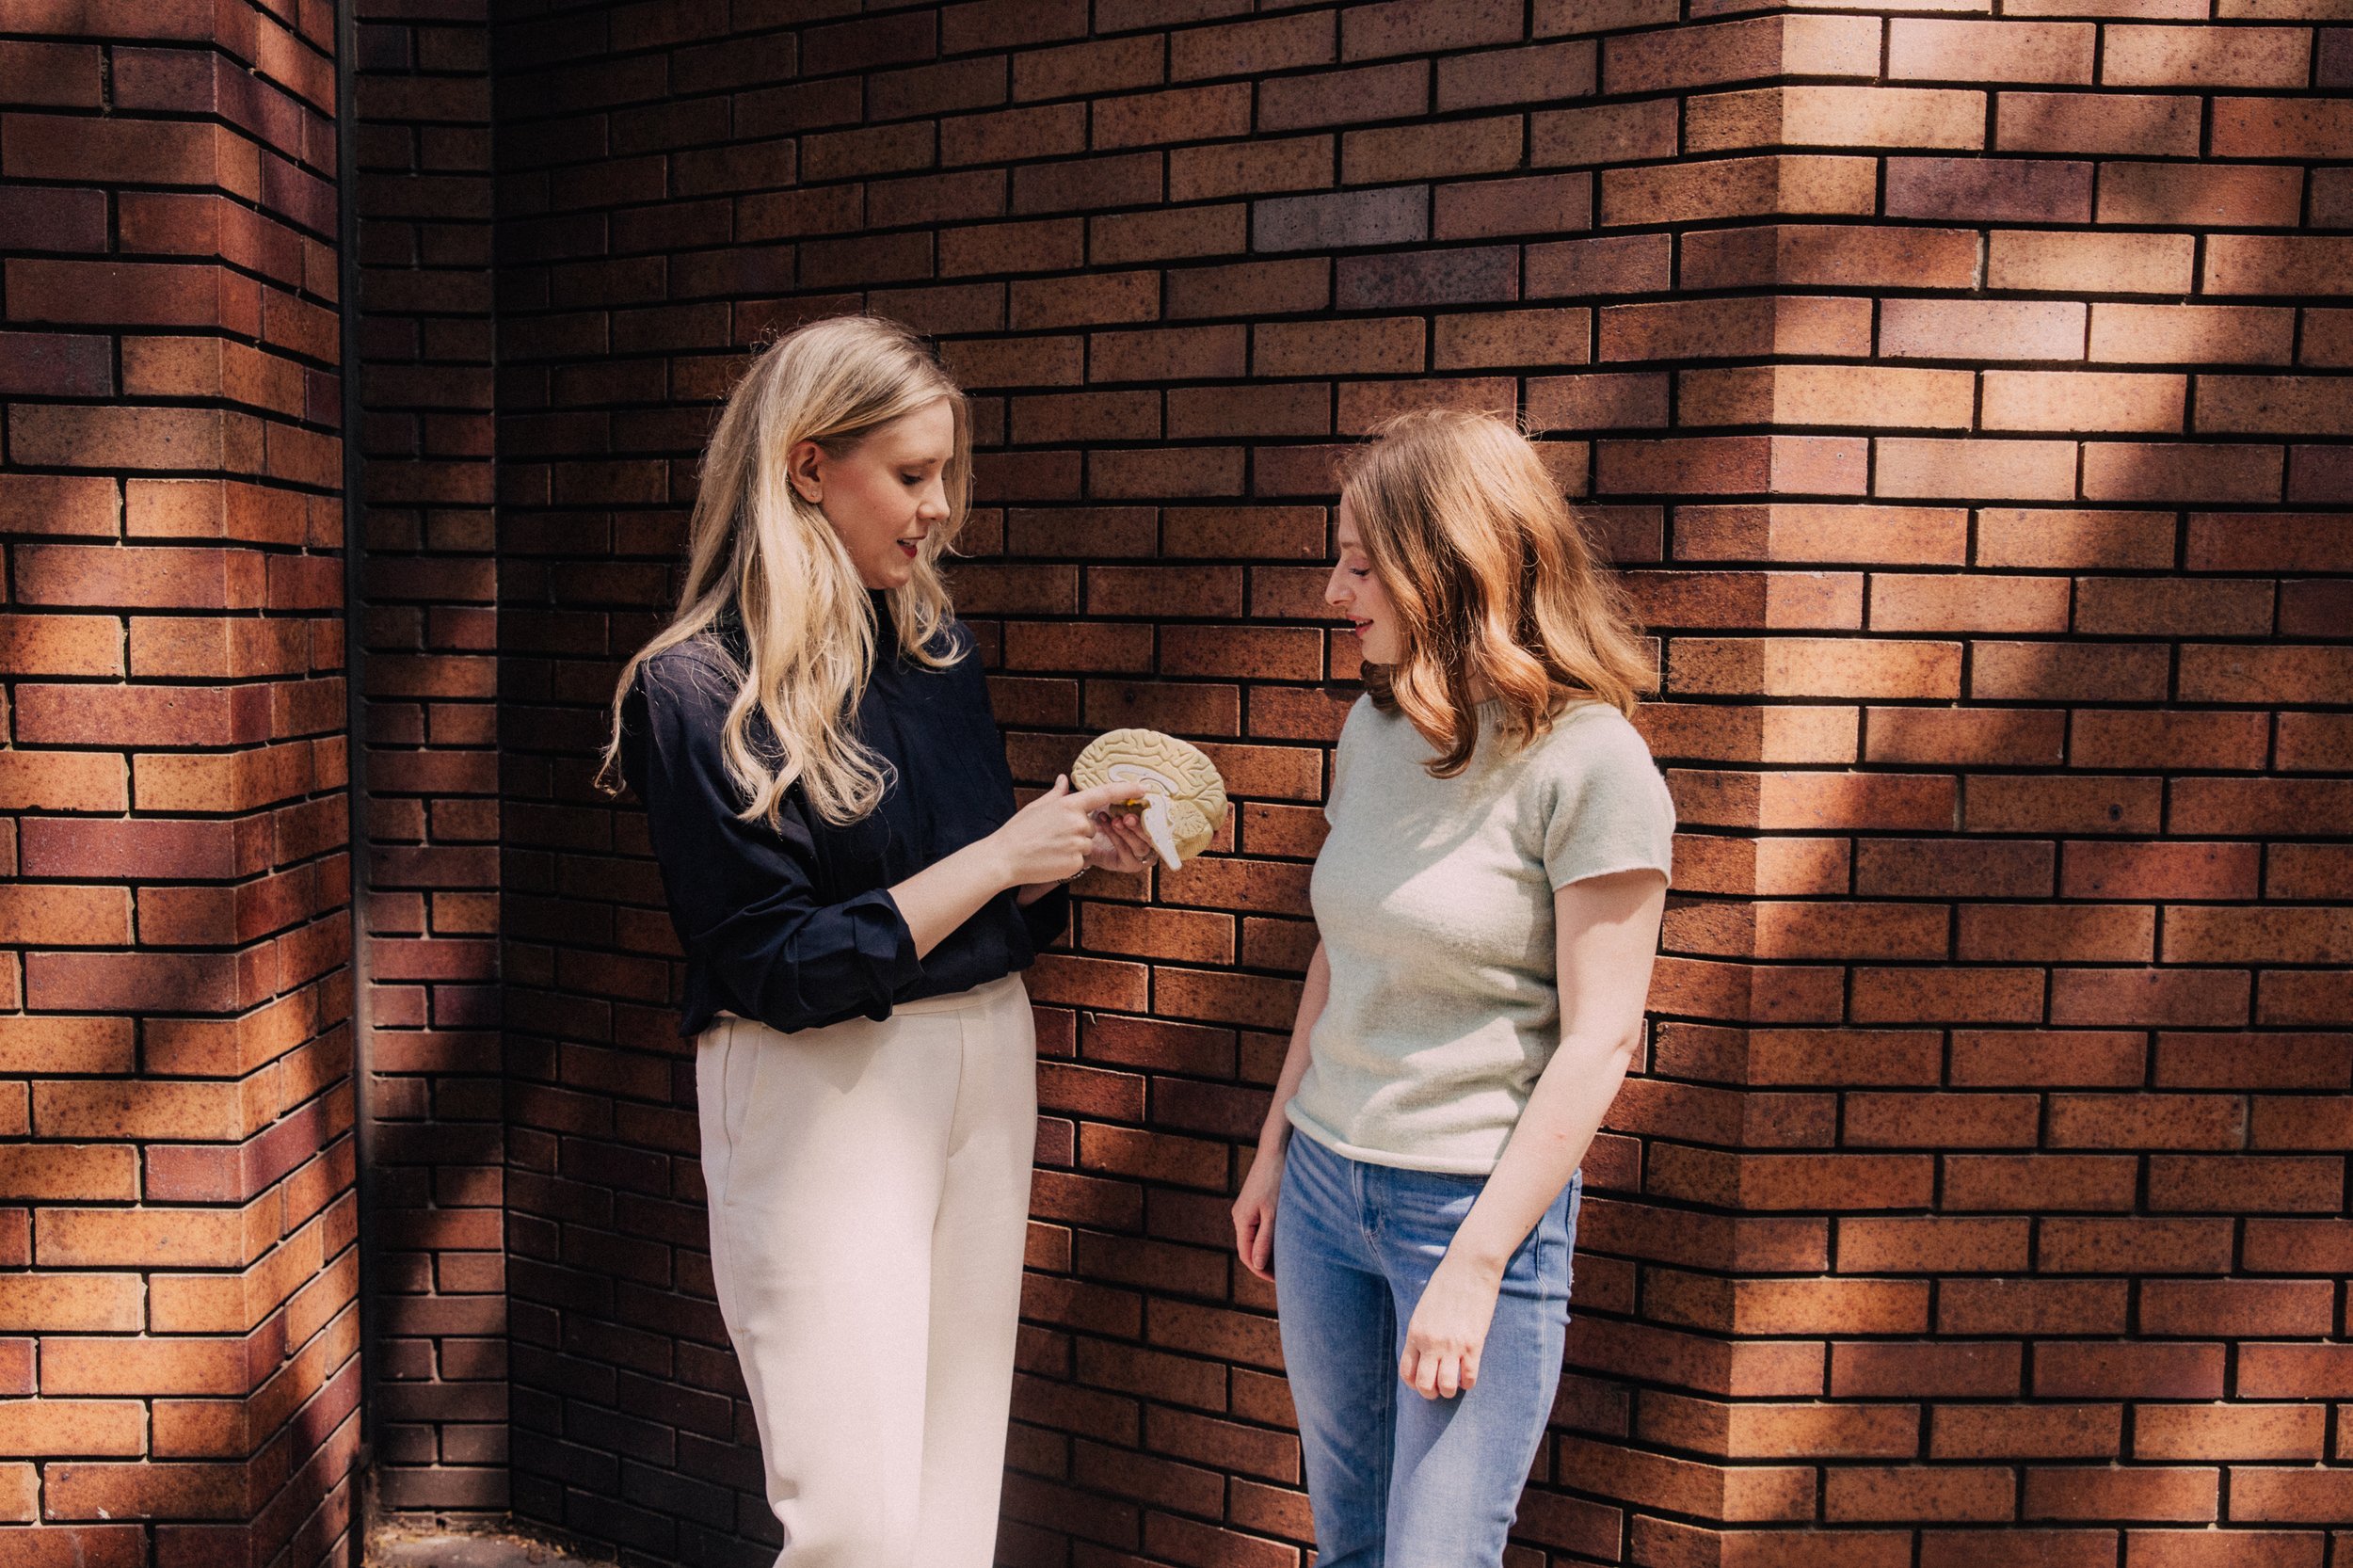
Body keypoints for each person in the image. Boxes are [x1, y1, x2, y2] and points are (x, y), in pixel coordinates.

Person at [599, 313, 1152, 1568]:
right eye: (912, 475)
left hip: (983, 1055)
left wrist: (1054, 853)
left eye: (944, 473)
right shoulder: (689, 690)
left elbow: (968, 897)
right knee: (851, 1513)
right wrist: (997, 857)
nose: (941, 507)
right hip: (819, 1086)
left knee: (954, 1493)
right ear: (807, 466)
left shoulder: (935, 648)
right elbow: (777, 963)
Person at [1229, 408, 1674, 1566]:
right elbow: (1341, 951)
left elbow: (1599, 1041)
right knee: (1349, 1552)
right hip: (1326, 1189)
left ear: (1452, 566)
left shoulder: (1592, 763)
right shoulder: (1375, 731)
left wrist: (1476, 1265)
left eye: (1362, 563)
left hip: (1470, 1210)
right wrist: (1276, 1143)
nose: (1337, 591)